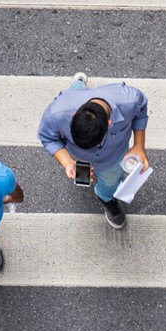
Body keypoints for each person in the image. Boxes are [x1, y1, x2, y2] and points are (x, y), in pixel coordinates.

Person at [37, 73, 148, 231]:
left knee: (111, 181)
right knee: (76, 91)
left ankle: (106, 198)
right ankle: (78, 85)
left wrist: (139, 145)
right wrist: (67, 162)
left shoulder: (130, 99)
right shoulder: (55, 113)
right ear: (73, 115)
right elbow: (48, 137)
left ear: (109, 123)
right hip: (72, 99)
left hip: (112, 155)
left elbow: (141, 111)